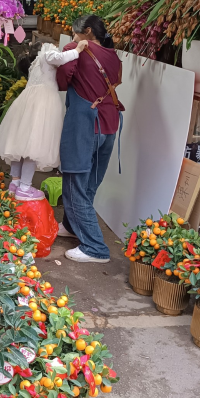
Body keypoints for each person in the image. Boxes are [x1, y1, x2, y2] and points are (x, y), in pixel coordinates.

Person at [56, 13, 124, 263]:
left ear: (86, 32)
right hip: (109, 125)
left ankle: (95, 248)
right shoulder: (114, 55)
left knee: (74, 184)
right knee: (88, 185)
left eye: (75, 32)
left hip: (84, 125)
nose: (73, 37)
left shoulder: (74, 49)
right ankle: (73, 226)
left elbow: (63, 80)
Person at [0, 38, 88, 200]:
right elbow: (60, 58)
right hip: (42, 104)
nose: (56, 48)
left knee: (20, 145)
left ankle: (15, 182)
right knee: (34, 146)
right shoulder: (46, 55)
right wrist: (77, 50)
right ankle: (25, 186)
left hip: (26, 103)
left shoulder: (34, 63)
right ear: (44, 46)